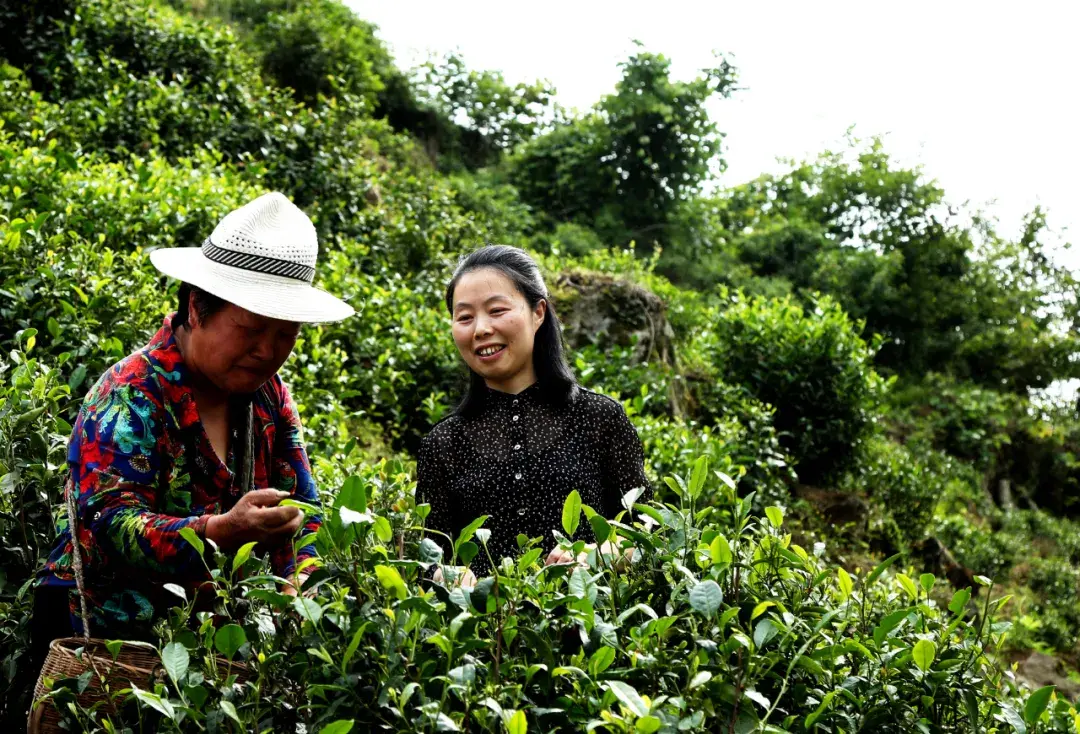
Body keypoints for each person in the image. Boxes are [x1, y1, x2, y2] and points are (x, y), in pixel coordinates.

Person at [32, 192, 354, 661]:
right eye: (250, 329)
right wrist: (218, 531)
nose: (267, 351)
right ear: (198, 309)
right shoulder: (130, 392)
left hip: (200, 650)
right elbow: (110, 523)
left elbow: (305, 507)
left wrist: (301, 577)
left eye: (285, 335)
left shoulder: (268, 397)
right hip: (100, 641)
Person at [416, 245, 651, 583]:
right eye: (464, 317)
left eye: (496, 310)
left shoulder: (601, 418)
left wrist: (603, 554)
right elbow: (427, 559)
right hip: (485, 632)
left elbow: (648, 535)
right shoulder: (442, 444)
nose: (480, 329)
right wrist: (445, 576)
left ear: (538, 312)